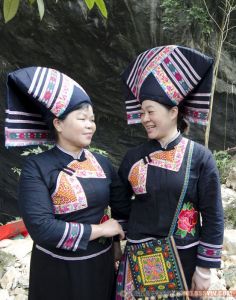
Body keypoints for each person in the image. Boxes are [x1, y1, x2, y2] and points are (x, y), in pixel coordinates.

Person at [113, 45, 224, 299]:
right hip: (139, 260)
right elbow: (119, 202)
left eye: (150, 111)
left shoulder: (199, 157)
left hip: (184, 258)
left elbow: (214, 214)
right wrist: (118, 240)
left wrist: (205, 269)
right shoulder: (132, 158)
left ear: (173, 111)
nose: (144, 118)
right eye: (141, 112)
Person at [5, 66, 125, 300]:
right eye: (82, 118)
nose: (91, 125)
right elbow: (42, 229)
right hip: (56, 272)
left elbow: (122, 206)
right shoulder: (37, 167)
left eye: (92, 119)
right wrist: (101, 230)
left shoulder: (102, 163)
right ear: (58, 124)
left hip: (100, 265)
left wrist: (118, 240)